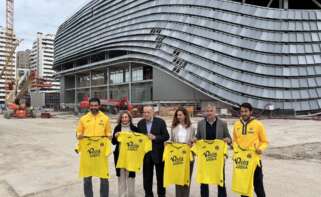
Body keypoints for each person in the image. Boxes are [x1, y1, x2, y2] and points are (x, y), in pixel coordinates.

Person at [76, 98, 112, 197]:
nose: (93, 107)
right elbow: (78, 132)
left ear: (99, 106)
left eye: (95, 105)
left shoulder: (105, 118)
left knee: (104, 177)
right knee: (87, 177)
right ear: (89, 106)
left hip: (100, 151)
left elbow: (108, 132)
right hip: (88, 152)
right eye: (92, 105)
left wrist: (109, 135)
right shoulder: (83, 119)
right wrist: (79, 135)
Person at [233, 103, 269, 197]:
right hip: (242, 161)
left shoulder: (258, 125)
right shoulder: (236, 125)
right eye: (242, 111)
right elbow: (235, 140)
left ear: (251, 112)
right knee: (243, 185)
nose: (243, 113)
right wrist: (236, 150)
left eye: (246, 111)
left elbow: (265, 141)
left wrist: (260, 149)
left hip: (254, 160)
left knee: (258, 185)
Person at [195, 104, 232, 197]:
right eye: (207, 111)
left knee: (220, 179)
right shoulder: (200, 124)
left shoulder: (223, 123)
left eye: (211, 111)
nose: (209, 113)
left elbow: (228, 137)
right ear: (205, 112)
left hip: (218, 158)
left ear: (215, 112)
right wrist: (194, 139)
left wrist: (228, 140)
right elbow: (197, 137)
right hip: (205, 157)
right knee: (204, 180)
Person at [137, 105, 170, 197]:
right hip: (146, 155)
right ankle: (148, 195)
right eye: (144, 112)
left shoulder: (160, 122)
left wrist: (155, 137)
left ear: (153, 112)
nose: (146, 114)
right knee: (147, 178)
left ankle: (161, 195)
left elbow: (166, 136)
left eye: (148, 112)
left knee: (160, 178)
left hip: (159, 154)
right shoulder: (140, 123)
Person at [112, 111, 140, 197]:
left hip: (131, 157)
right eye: (123, 117)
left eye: (126, 117)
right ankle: (122, 195)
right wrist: (115, 137)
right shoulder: (117, 128)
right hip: (120, 156)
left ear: (129, 118)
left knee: (131, 178)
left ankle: (131, 195)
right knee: (121, 178)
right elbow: (113, 142)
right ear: (120, 118)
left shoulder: (135, 129)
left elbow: (139, 142)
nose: (124, 119)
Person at [170, 107, 195, 197]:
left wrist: (192, 143)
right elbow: (172, 141)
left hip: (188, 156)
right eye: (177, 115)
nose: (178, 117)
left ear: (185, 115)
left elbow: (194, 141)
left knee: (187, 179)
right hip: (178, 157)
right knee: (178, 178)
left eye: (180, 115)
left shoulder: (191, 128)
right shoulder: (174, 128)